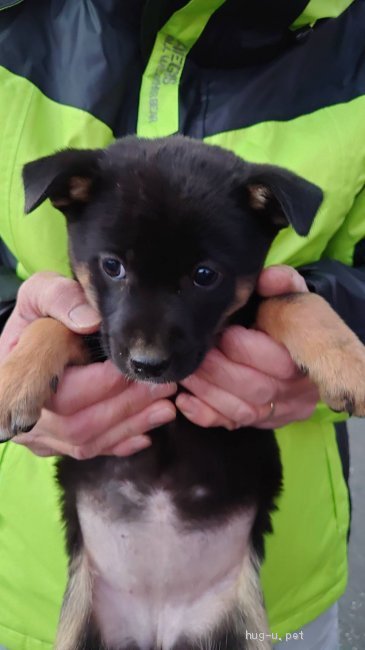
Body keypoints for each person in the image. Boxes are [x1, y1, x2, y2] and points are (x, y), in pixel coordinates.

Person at [0, 1, 364, 648]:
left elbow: (305, 295)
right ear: (68, 200)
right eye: (111, 267)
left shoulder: (349, 29)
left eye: (202, 280)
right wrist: (17, 338)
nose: (142, 344)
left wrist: (327, 320)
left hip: (261, 596)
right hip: (47, 592)